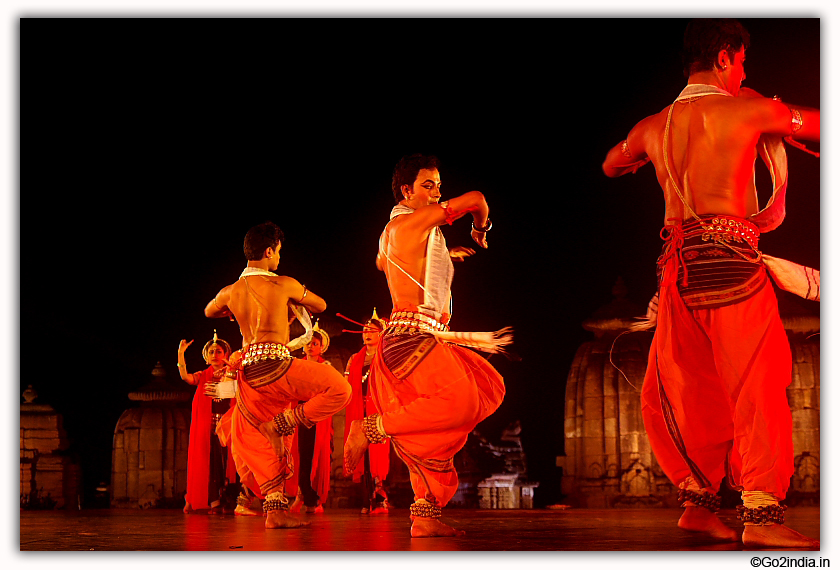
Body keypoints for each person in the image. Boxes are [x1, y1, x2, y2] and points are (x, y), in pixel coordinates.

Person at [602, 19, 820, 548]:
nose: (745, 72)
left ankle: (699, 508)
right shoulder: (745, 108)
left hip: (678, 274)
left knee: (690, 390)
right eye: (742, 62)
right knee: (756, 387)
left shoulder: (654, 125)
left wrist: (645, 160)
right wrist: (767, 106)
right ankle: (762, 516)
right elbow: (816, 122)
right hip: (732, 269)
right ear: (725, 57)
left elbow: (611, 162)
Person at [344, 154, 509, 538]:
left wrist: (438, 256)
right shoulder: (414, 222)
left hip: (418, 336)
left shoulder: (394, 231)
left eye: (438, 185)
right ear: (406, 190)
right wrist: (481, 229)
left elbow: (383, 263)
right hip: (410, 338)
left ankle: (425, 515)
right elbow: (476, 200)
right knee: (463, 401)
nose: (437, 193)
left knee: (477, 393)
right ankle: (368, 428)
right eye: (428, 185)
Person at [204, 221, 351, 529]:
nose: (279, 259)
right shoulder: (281, 283)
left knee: (266, 440)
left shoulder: (229, 291)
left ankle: (275, 511)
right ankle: (285, 422)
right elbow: (321, 304)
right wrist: (295, 297)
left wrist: (230, 310)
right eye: (278, 253)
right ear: (269, 251)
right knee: (341, 389)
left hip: (250, 374)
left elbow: (209, 311)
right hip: (277, 366)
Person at [177, 331, 238, 514]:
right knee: (211, 462)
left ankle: (230, 498)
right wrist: (181, 355)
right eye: (211, 352)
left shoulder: (234, 374)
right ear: (206, 357)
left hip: (229, 427)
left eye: (218, 351)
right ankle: (213, 500)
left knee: (229, 462)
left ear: (226, 354)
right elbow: (186, 378)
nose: (215, 355)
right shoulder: (203, 375)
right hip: (208, 427)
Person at [343, 309, 391, 514]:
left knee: (377, 452)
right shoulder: (354, 359)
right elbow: (346, 385)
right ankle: (365, 499)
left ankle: (379, 497)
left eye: (372, 330)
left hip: (378, 409)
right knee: (361, 454)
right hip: (357, 410)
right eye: (365, 330)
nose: (367, 333)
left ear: (381, 334)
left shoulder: (386, 356)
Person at [288, 324, 334, 514]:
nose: (310, 346)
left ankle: (313, 497)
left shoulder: (326, 367)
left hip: (317, 417)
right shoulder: (296, 364)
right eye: (307, 343)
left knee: (316, 456)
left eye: (314, 343)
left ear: (321, 347)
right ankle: (301, 493)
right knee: (300, 455)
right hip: (299, 414)